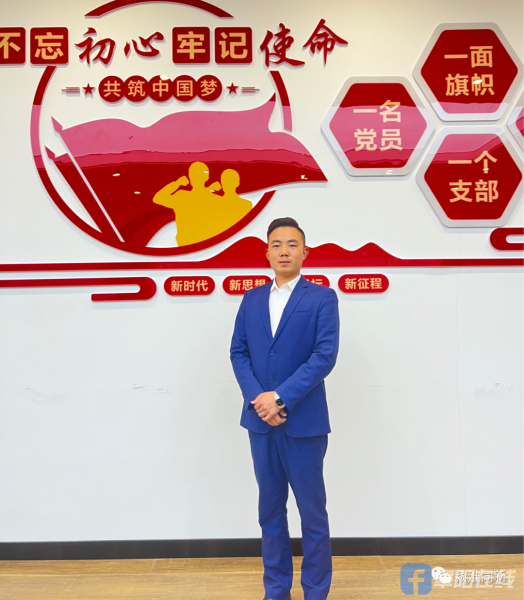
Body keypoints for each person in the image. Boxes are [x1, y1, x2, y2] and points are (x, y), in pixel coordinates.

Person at [230, 217, 340, 600]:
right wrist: (259, 400)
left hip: (304, 423)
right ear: (266, 253)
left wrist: (279, 398)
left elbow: (324, 356)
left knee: (313, 515)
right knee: (270, 513)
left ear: (305, 252)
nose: (284, 251)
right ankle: (276, 591)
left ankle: (315, 592)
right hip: (261, 423)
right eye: (276, 244)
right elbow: (239, 352)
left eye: (292, 244)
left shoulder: (322, 298)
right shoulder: (251, 299)